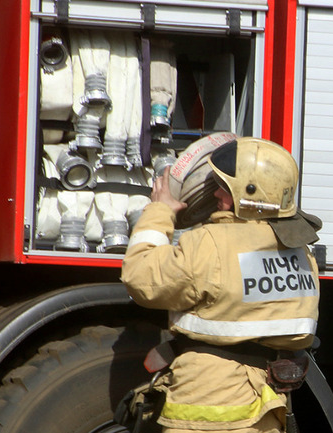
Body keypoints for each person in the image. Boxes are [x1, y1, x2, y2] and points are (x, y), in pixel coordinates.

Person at [121, 137, 321, 433]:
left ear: (250, 194)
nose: (215, 193)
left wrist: (160, 211)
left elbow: (141, 278)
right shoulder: (301, 253)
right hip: (265, 403)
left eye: (224, 187)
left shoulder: (210, 244)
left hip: (207, 403)